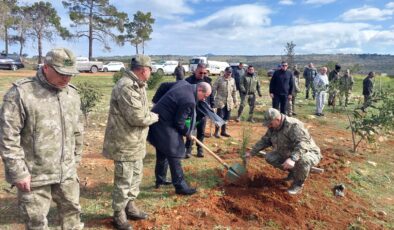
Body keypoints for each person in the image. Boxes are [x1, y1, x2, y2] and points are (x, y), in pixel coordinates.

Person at [0, 48, 84, 229]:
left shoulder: (72, 94)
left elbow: (77, 129)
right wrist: (18, 172)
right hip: (35, 175)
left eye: (70, 74)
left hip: (67, 173)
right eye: (61, 73)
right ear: (46, 67)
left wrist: (76, 158)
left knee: (73, 216)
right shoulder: (21, 94)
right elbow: (8, 137)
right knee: (36, 222)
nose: (66, 79)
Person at [102, 54, 159, 230]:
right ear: (143, 70)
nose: (150, 73)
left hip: (135, 142)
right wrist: (155, 116)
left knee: (136, 176)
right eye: (150, 69)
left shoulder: (139, 85)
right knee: (124, 180)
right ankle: (119, 214)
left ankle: (130, 206)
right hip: (124, 143)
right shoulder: (126, 86)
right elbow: (137, 117)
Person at [148, 81, 212, 196]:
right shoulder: (189, 100)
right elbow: (179, 123)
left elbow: (164, 85)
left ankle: (160, 180)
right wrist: (188, 133)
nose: (203, 100)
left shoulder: (184, 84)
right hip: (163, 123)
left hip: (158, 119)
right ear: (200, 90)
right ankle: (180, 186)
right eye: (205, 96)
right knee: (174, 152)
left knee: (163, 151)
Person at [247, 108, 321, 195]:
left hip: (308, 152)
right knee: (270, 157)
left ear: (278, 120)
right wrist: (251, 152)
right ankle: (294, 173)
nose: (269, 126)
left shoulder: (293, 125)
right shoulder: (273, 127)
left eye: (270, 124)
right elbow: (265, 141)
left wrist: (292, 159)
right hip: (289, 152)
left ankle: (298, 184)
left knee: (303, 160)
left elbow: (303, 144)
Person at [184, 63, 214, 158]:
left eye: (204, 73)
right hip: (191, 110)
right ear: (195, 71)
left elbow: (211, 95)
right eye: (200, 72)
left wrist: (212, 105)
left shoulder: (208, 81)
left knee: (201, 131)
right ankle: (188, 149)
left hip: (203, 111)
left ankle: (200, 149)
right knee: (190, 130)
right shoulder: (188, 81)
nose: (202, 74)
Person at [212, 67, 237, 138]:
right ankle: (216, 132)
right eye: (227, 72)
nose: (229, 73)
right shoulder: (219, 79)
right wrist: (212, 99)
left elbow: (234, 91)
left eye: (230, 72)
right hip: (220, 102)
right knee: (219, 117)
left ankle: (223, 131)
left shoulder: (232, 80)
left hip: (229, 102)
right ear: (225, 72)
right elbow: (214, 89)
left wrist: (235, 101)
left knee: (226, 117)